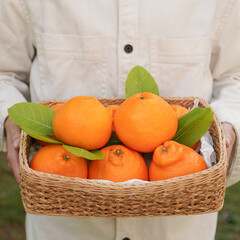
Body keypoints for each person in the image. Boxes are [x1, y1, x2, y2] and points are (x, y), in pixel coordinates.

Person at [0, 0, 239, 239]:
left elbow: (234, 76)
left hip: (180, 222)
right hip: (64, 219)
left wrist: (228, 126)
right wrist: (9, 119)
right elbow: (5, 73)